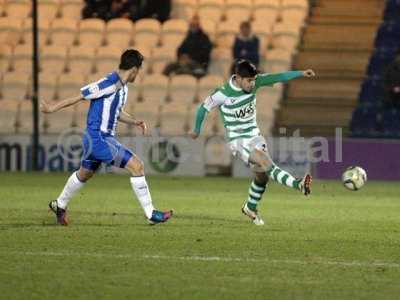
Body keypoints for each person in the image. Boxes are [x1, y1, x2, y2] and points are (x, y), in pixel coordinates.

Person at [40, 49, 173, 226]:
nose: (138, 74)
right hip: (98, 138)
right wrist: (52, 108)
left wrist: (134, 121)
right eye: (138, 70)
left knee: (84, 174)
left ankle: (60, 204)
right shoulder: (108, 83)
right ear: (134, 69)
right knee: (137, 166)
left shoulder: (123, 88)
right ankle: (151, 213)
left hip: (97, 139)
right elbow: (79, 96)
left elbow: (115, 112)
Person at [190, 59, 315, 226]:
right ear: (239, 78)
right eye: (249, 80)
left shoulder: (255, 82)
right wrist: (196, 130)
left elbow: (279, 77)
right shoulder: (223, 93)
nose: (252, 84)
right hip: (238, 140)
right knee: (265, 162)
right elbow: (202, 108)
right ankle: (298, 184)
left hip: (255, 137)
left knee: (262, 177)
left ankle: (250, 207)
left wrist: (300, 73)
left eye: (254, 80)